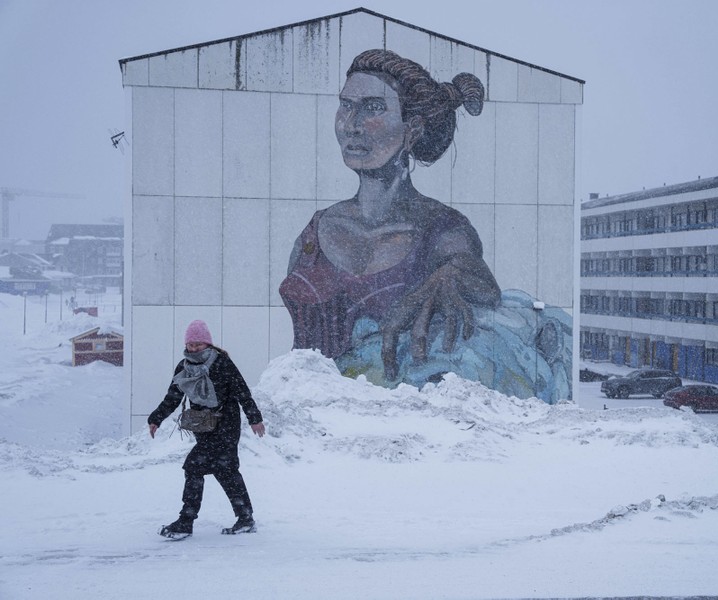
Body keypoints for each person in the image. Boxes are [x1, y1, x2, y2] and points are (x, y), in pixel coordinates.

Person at [279, 49, 500, 380]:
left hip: (397, 420)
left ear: (412, 130)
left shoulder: (440, 228)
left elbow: (482, 282)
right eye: (346, 105)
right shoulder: (316, 231)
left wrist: (447, 276)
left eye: (372, 108)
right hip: (316, 420)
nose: (351, 125)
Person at [148, 319, 266, 539]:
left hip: (226, 425)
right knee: (226, 470)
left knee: (193, 466)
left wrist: (254, 418)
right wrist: (156, 418)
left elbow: (242, 390)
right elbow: (173, 396)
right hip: (203, 426)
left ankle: (186, 521)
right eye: (190, 345)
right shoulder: (184, 367)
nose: (193, 348)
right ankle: (246, 518)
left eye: (198, 344)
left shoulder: (222, 362)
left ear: (208, 344)